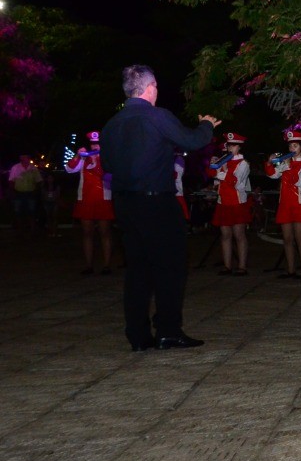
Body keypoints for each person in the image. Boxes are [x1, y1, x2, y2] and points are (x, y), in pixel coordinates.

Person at [99, 64, 218, 351]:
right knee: (170, 266)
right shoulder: (156, 116)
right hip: (156, 202)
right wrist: (207, 125)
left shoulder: (111, 124)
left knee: (138, 268)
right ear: (150, 88)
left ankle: (138, 336)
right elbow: (193, 140)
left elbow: (109, 166)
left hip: (126, 203)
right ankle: (168, 330)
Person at [264, 129, 301, 279]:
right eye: (290, 146)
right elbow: (273, 175)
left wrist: (287, 166)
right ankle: (290, 269)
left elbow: (298, 181)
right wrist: (269, 162)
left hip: (300, 204)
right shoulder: (287, 163)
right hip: (285, 204)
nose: (292, 149)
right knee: (287, 239)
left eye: (295, 145)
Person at [65, 131, 115, 275]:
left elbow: (110, 174)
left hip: (103, 199)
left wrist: (98, 158)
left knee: (105, 232)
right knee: (87, 233)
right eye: (93, 143)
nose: (95, 145)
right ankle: (89, 265)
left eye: (98, 143)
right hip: (85, 199)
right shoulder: (83, 158)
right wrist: (77, 155)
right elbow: (69, 169)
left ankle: (106, 266)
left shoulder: (107, 157)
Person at [209, 133, 251, 275]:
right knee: (225, 234)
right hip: (223, 202)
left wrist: (221, 171)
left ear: (239, 147)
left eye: (233, 145)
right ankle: (227, 265)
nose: (230, 148)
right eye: (229, 145)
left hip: (237, 202)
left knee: (239, 234)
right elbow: (211, 174)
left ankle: (242, 266)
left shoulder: (243, 163)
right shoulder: (223, 160)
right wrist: (213, 163)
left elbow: (234, 181)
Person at [7, 155, 41, 237]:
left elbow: (38, 180)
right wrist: (13, 192)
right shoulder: (15, 167)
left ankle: (32, 230)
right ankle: (20, 230)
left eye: (28, 158)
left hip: (30, 193)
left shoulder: (33, 168)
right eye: (25, 158)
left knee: (32, 211)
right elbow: (11, 180)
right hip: (18, 193)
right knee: (18, 212)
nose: (27, 159)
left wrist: (36, 191)